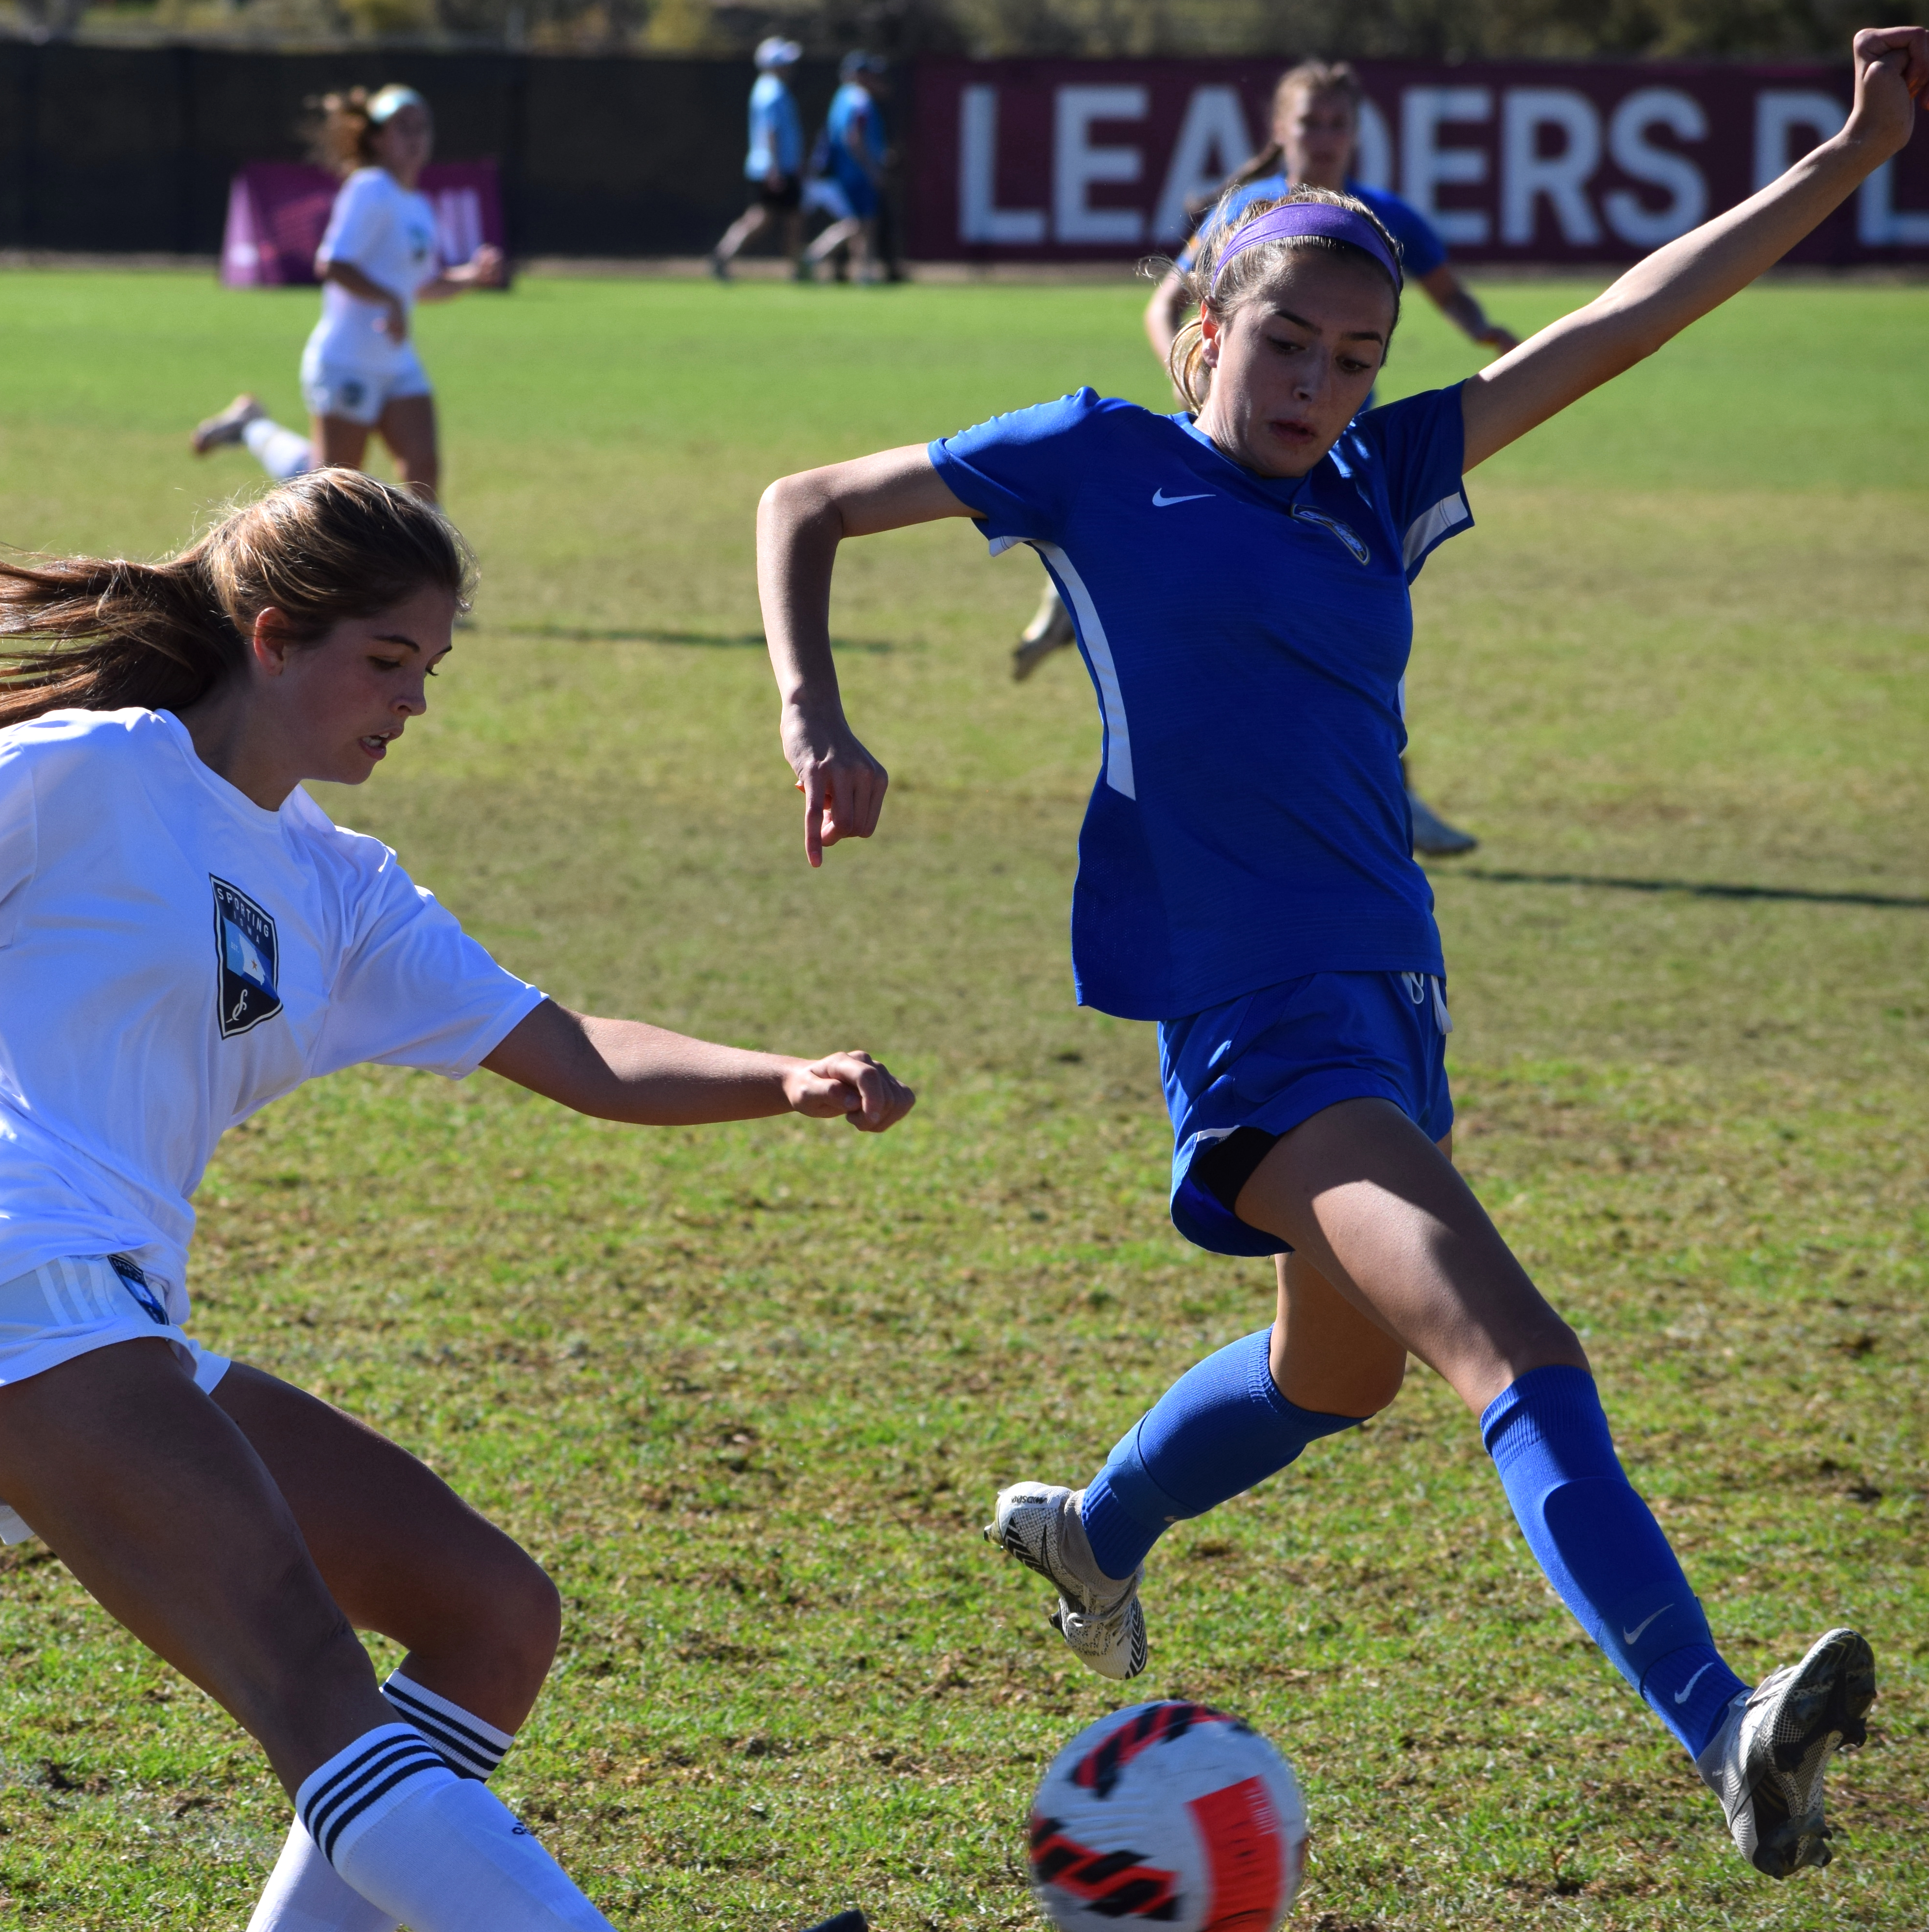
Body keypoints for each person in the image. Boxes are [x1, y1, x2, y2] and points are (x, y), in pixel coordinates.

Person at [753, 28, 1923, 1880]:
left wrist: (1847, 160)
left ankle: (1093, 1533)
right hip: (1255, 1019)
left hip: (1390, 994)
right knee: (1499, 1337)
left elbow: (1617, 323)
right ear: (1201, 326)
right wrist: (816, 715)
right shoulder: (1091, 460)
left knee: (1335, 1375)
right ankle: (1725, 1724)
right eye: (1285, 341)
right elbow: (799, 503)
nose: (1318, 381)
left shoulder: (1378, 480)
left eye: (1355, 356)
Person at [0, 470, 912, 1932]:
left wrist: (782, 1077)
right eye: (386, 660)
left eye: (429, 670)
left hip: (122, 1323)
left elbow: (573, 1051)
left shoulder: (340, 887)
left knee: (488, 1617)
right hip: (2, 1298)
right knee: (309, 1681)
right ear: (274, 636)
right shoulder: (83, 772)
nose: (412, 703)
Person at [1015, 60, 1512, 857]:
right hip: (1244, 453)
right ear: (1278, 129)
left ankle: (1385, 796)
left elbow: (1448, 293)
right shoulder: (1246, 213)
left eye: (1335, 124)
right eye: (1308, 122)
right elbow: (1162, 307)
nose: (1321, 138)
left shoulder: (1381, 219)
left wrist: (1484, 332)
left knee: (1351, 623)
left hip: (1339, 462)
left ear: (1355, 133)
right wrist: (1193, 377)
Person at [192, 85, 504, 498]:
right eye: (401, 127)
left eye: (421, 127)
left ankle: (425, 564)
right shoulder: (370, 186)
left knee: (424, 480)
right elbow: (333, 263)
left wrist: (470, 276)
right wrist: (390, 300)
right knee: (330, 497)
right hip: (347, 361)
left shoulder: (418, 206)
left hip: (397, 363)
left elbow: (421, 286)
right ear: (377, 138)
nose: (414, 137)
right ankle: (252, 426)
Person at [711, 39, 806, 282]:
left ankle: (797, 269)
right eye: (784, 63)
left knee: (782, 218)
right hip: (775, 169)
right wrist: (775, 169)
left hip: (774, 167)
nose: (790, 68)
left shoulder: (770, 89)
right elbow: (770, 132)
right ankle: (796, 270)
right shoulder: (772, 91)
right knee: (771, 218)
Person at [801, 54, 891, 285]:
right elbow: (854, 138)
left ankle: (861, 271)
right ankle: (823, 259)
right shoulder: (860, 99)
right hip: (858, 172)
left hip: (844, 171)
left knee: (857, 223)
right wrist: (872, 169)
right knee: (865, 223)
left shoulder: (841, 97)